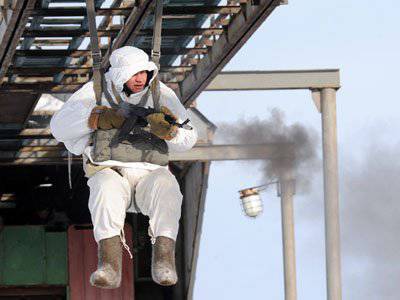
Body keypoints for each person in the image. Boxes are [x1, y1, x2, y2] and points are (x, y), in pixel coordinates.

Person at [50, 46, 197, 288]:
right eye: (134, 73)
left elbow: (190, 138)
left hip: (150, 172)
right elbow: (59, 127)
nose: (141, 79)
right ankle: (109, 264)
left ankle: (164, 259)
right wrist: (97, 118)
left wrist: (171, 132)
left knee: (169, 188)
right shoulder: (95, 91)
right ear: (119, 75)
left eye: (144, 73)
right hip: (110, 169)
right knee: (104, 188)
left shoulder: (162, 95)